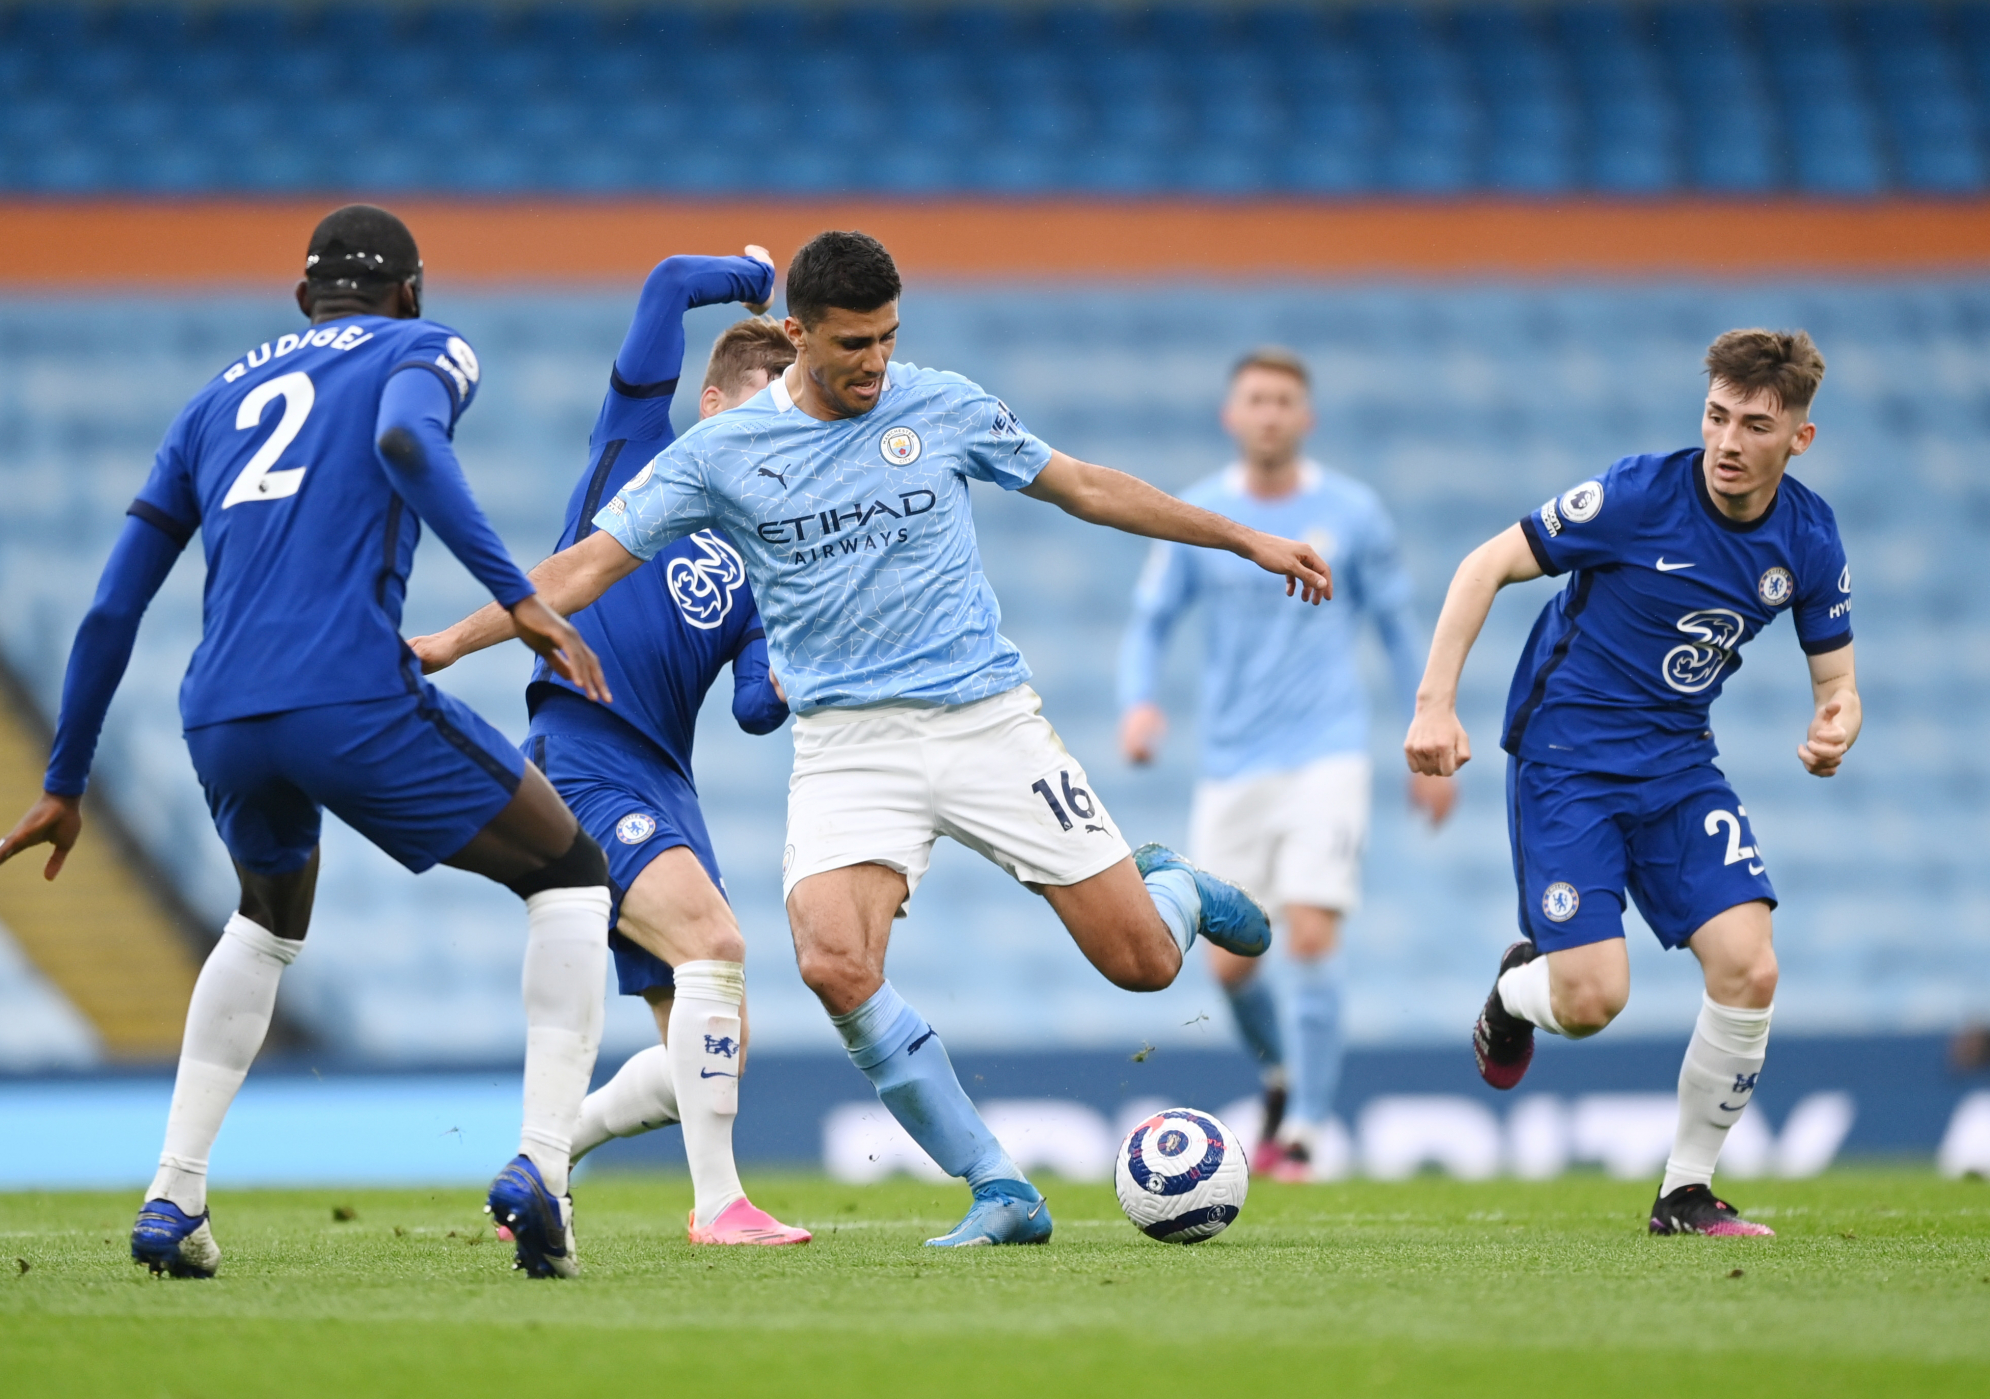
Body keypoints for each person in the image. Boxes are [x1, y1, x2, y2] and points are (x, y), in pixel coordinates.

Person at [413, 229, 1334, 1247]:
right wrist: (455, 641)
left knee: (1144, 964)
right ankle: (998, 1187)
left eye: (888, 338)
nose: (874, 362)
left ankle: (1173, 888)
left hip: (984, 718)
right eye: (853, 343)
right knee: (832, 961)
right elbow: (582, 568)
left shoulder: (938, 404)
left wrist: (1241, 535)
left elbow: (1084, 485)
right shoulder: (721, 453)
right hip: (849, 745)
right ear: (798, 334)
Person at [0, 205, 615, 1282]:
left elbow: (111, 608)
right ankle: (542, 1167)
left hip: (220, 711)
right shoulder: (424, 345)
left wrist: (64, 779)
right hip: (347, 691)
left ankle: (174, 1195)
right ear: (409, 290)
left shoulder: (211, 400)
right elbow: (406, 437)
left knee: (265, 919)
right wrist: (522, 600)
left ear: (304, 296)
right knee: (573, 873)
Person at [1404, 329, 1859, 1236]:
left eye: (1755, 425)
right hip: (1567, 759)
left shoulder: (1808, 537)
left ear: (1798, 439)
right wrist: (1434, 704)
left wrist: (1836, 722)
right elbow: (1484, 563)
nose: (1728, 442)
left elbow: (1838, 683)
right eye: (1717, 417)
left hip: (1680, 763)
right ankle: (1511, 993)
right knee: (1591, 1000)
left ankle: (1684, 1191)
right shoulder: (1638, 494)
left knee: (1750, 963)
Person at [511, 247, 808, 1245]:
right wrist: (752, 278)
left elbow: (756, 709)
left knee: (713, 1040)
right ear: (713, 401)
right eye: (770, 400)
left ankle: (539, 1168)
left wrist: (805, 665)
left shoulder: (765, 556)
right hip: (582, 747)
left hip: (663, 782)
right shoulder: (634, 448)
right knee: (716, 947)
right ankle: (717, 1205)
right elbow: (667, 285)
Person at [1118, 346, 1454, 1182]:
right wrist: (1140, 701)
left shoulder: (1353, 513)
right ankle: (1279, 1075)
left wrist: (1431, 734)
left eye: (1283, 401)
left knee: (1309, 928)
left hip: (1326, 755)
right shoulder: (1199, 513)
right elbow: (1150, 620)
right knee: (1230, 960)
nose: (1268, 413)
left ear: (1305, 417)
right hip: (1232, 763)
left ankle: (1303, 1127)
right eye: (1255, 400)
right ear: (1232, 415)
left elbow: (1398, 627)